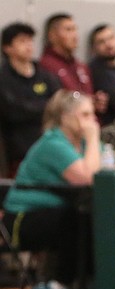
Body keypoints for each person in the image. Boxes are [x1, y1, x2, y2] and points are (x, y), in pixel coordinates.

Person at [0, 89, 99, 289]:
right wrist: (93, 140)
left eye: (93, 114)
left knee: (96, 220)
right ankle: (61, 288)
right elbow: (88, 178)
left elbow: (104, 171)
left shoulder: (81, 144)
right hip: (21, 219)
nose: (93, 122)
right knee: (79, 222)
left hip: (56, 214)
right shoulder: (53, 143)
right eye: (85, 115)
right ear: (65, 117)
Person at [0, 22, 60, 176]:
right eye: (22, 41)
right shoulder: (4, 78)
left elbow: (58, 104)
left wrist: (34, 107)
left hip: (47, 145)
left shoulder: (45, 75)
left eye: (30, 40)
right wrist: (45, 106)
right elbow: (13, 111)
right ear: (7, 48)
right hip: (17, 149)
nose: (28, 45)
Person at [39, 13, 93, 96]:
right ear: (52, 35)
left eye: (75, 30)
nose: (75, 36)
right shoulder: (46, 66)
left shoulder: (81, 66)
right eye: (68, 30)